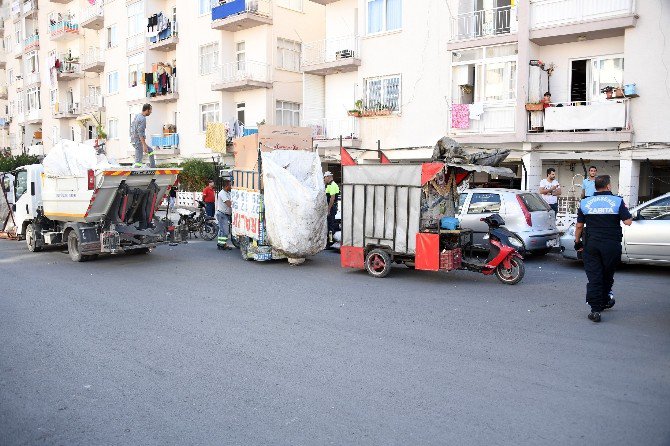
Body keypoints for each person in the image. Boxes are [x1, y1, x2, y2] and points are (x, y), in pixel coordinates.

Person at [574, 175, 632, 323]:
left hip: (592, 245)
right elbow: (628, 221)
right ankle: (605, 299)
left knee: (594, 277)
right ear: (608, 186)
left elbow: (579, 226)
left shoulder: (585, 202)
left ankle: (595, 310)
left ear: (595, 187)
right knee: (607, 275)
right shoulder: (617, 201)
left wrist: (577, 242)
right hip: (611, 245)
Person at [130, 104, 156, 168]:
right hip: (138, 141)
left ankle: (153, 167)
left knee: (150, 150)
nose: (151, 112)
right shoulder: (142, 119)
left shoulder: (137, 115)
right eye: (150, 110)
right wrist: (144, 145)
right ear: (147, 110)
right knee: (138, 162)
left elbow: (132, 127)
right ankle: (135, 173)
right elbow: (140, 133)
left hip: (134, 139)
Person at [216, 179, 233, 250]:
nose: (231, 187)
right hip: (222, 214)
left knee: (222, 230)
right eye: (230, 185)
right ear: (226, 186)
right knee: (225, 231)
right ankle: (222, 245)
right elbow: (229, 204)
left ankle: (220, 244)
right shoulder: (222, 193)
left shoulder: (228, 193)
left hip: (225, 214)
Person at [324, 171, 339, 246]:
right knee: (329, 225)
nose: (324, 179)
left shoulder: (333, 185)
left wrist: (328, 209)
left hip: (332, 208)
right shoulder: (329, 185)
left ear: (328, 177)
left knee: (330, 225)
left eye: (325, 177)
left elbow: (332, 199)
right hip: (331, 207)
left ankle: (330, 242)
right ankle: (329, 241)